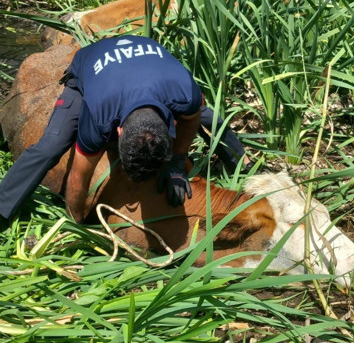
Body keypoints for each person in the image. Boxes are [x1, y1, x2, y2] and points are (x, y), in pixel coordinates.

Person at [0, 34, 252, 224]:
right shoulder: (99, 116)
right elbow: (79, 175)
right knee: (50, 146)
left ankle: (245, 169)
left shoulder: (184, 94)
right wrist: (77, 220)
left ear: (168, 123)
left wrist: (176, 163)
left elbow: (193, 117)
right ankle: (2, 207)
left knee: (212, 119)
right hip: (92, 64)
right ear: (117, 132)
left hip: (144, 61)